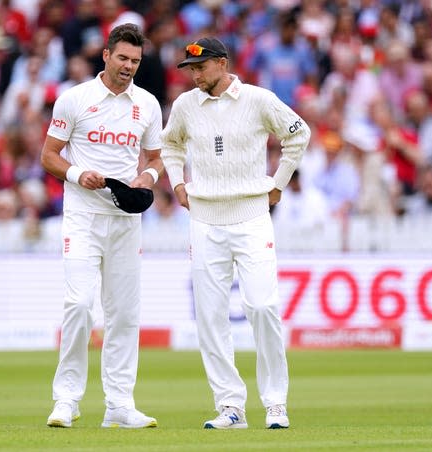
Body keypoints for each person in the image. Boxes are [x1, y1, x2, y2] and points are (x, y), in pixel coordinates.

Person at [161, 37, 310, 429]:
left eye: (201, 68)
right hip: (204, 220)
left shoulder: (259, 99)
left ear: (223, 64)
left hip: (251, 216)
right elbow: (170, 145)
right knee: (210, 318)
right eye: (190, 70)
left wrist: (279, 181)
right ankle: (231, 406)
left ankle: (275, 403)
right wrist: (177, 183)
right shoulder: (185, 106)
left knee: (262, 307)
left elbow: (299, 132)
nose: (195, 76)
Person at [40, 23, 163, 429]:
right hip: (83, 215)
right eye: (123, 58)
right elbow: (49, 155)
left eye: (136, 61)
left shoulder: (146, 104)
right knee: (78, 304)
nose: (129, 66)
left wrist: (148, 179)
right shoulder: (74, 99)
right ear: (106, 55)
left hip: (126, 220)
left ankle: (119, 405)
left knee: (124, 313)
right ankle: (67, 400)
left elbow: (156, 159)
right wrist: (77, 174)